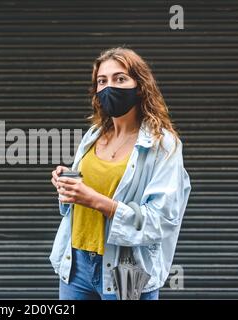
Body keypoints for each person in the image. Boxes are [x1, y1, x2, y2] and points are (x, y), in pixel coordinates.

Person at [49, 47, 191, 300]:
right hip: (76, 264)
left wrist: (95, 199)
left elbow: (161, 220)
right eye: (102, 81)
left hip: (127, 270)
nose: (109, 87)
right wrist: (67, 185)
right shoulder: (93, 136)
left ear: (139, 86)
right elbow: (74, 204)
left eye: (120, 78)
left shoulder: (163, 145)